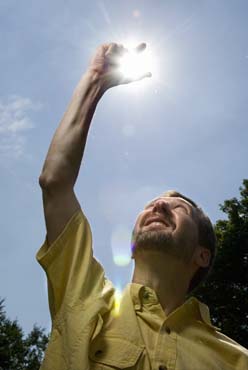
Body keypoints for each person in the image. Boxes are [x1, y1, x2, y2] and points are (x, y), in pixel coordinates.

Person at [37, 43, 248, 370]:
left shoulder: (235, 359)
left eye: (180, 207)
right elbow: (55, 182)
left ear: (201, 255)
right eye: (153, 203)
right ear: (133, 245)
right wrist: (95, 81)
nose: (160, 205)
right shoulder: (84, 295)